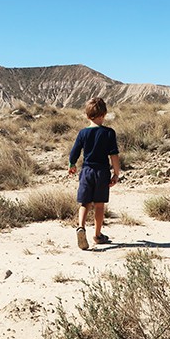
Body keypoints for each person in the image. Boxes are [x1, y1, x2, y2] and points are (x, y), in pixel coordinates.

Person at [68, 97, 120, 249]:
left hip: (86, 171)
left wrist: (72, 164)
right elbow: (114, 155)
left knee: (84, 203)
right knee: (99, 205)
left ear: (86, 115)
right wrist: (116, 173)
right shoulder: (109, 133)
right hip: (102, 172)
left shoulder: (83, 133)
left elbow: (74, 152)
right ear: (104, 114)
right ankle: (97, 235)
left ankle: (81, 227)